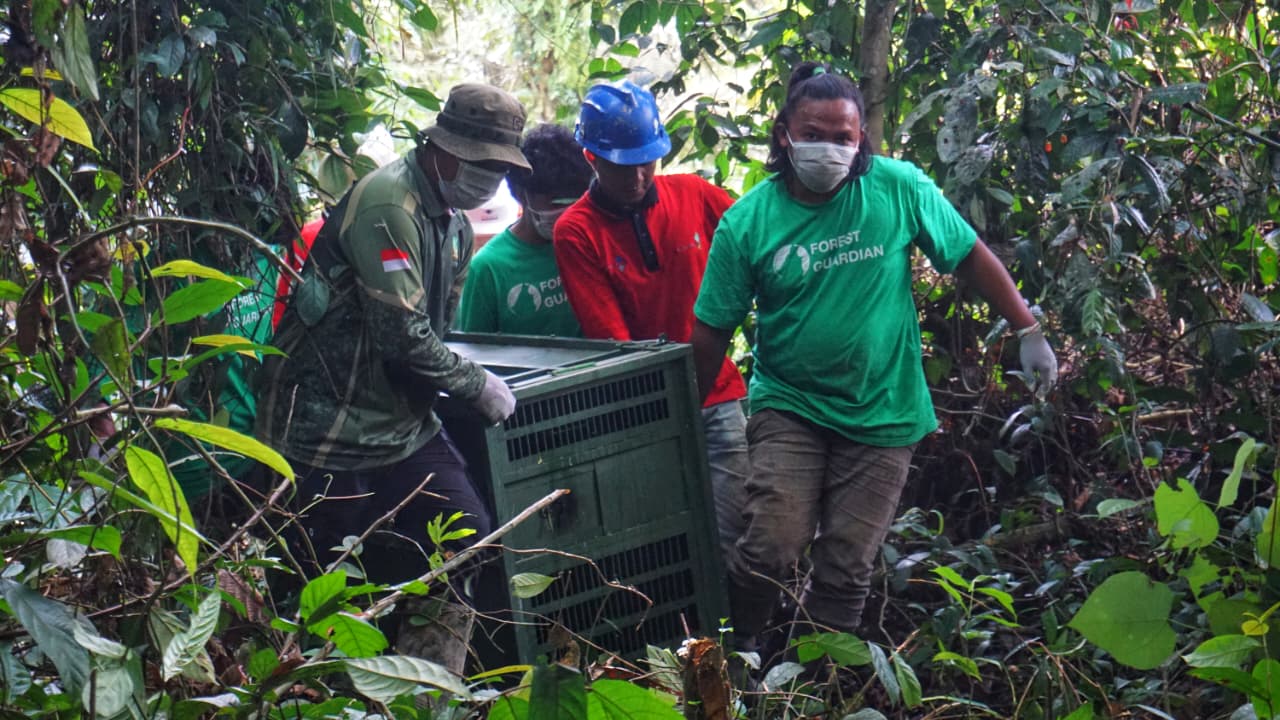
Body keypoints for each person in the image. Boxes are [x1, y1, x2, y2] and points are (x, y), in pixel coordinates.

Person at [690, 63, 1059, 661]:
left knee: (847, 562)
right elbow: (711, 330)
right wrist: (689, 412)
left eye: (844, 137)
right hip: (792, 404)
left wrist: (1028, 328)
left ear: (861, 139)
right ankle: (741, 647)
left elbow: (968, 254)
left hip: (884, 409)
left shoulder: (897, 188)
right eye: (815, 133)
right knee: (770, 545)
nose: (830, 147)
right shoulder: (748, 222)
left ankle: (813, 681)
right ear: (785, 133)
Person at [255, 83, 530, 675]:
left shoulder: (452, 225)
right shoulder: (390, 205)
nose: (490, 180)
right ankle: (318, 697)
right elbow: (403, 336)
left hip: (402, 428)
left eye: (500, 169)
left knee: (464, 539)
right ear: (446, 151)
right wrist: (476, 385)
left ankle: (426, 691)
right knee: (322, 590)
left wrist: (459, 379)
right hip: (327, 428)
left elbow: (437, 329)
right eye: (483, 165)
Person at [553, 79, 750, 564]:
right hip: (642, 407)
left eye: (647, 160)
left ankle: (739, 636)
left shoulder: (694, 195)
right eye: (623, 165)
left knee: (739, 538)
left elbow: (759, 245)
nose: (638, 176)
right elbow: (612, 339)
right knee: (664, 542)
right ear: (591, 158)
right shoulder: (576, 231)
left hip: (719, 398)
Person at [456, 123, 592, 336]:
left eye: (574, 202)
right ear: (521, 193)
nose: (566, 213)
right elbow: (476, 351)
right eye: (554, 203)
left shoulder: (590, 244)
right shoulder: (488, 268)